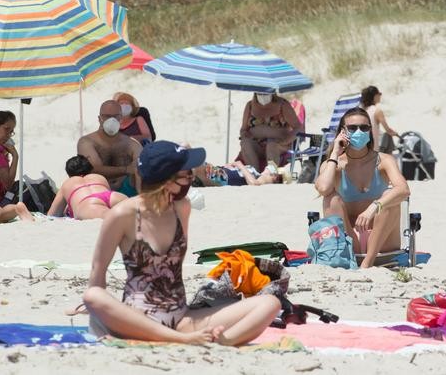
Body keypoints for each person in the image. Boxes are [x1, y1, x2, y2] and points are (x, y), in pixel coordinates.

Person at [83, 140, 281, 345]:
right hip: (137, 320)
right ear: (167, 180)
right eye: (187, 174)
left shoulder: (181, 208)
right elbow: (98, 272)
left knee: (270, 303)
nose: (192, 178)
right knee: (93, 296)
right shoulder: (122, 214)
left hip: (181, 317)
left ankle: (221, 342)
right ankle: (184, 340)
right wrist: (99, 316)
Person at [314, 107, 410, 268]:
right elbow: (323, 188)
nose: (359, 131)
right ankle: (354, 257)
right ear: (342, 132)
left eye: (364, 127)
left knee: (389, 196)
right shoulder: (335, 164)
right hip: (350, 241)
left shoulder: (384, 160)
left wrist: (374, 206)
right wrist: (334, 154)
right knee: (331, 198)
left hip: (383, 243)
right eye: (352, 128)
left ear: (370, 131)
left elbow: (404, 190)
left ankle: (367, 263)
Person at [77, 100, 142, 197]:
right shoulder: (86, 142)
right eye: (107, 116)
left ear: (121, 118)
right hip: (97, 192)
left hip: (126, 192)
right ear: (99, 119)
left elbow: (141, 168)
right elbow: (93, 169)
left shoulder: (132, 144)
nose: (112, 120)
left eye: (116, 116)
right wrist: (126, 170)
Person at [47, 155, 128, 219]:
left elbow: (53, 215)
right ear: (90, 169)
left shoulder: (67, 183)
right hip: (112, 197)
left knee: (108, 217)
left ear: (69, 174)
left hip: (88, 203)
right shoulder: (99, 177)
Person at [239, 92, 301, 171]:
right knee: (245, 143)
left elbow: (297, 127)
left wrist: (285, 142)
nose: (262, 96)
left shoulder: (282, 105)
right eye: (259, 93)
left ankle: (271, 175)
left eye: (265, 93)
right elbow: (243, 129)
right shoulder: (250, 106)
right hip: (258, 146)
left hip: (280, 145)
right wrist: (245, 134)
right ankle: (254, 174)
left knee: (272, 145)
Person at [359, 86, 399, 152]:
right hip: (373, 149)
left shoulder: (362, 111)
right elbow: (388, 130)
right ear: (374, 96)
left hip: (361, 147)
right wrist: (395, 133)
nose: (380, 96)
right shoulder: (377, 111)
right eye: (379, 94)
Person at [193, 159, 283, 187]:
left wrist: (240, 165)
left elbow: (254, 184)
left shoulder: (265, 178)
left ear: (275, 177)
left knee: (192, 162)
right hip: (220, 172)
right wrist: (231, 165)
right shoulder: (257, 174)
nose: (267, 167)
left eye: (271, 168)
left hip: (222, 176)